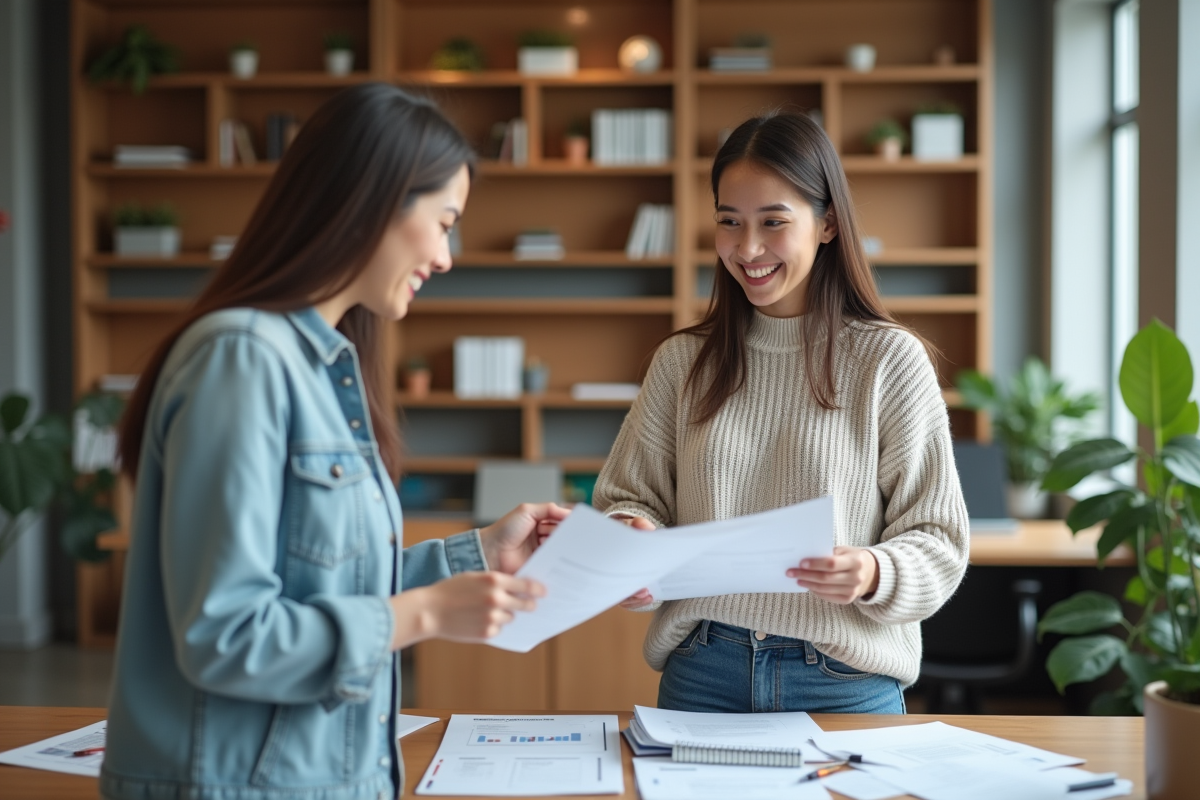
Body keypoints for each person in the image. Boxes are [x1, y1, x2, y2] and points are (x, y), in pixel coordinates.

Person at [101, 84, 567, 800]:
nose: (445, 256)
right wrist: (430, 614)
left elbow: (323, 585)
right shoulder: (242, 359)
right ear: (375, 201)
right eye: (444, 221)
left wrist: (475, 557)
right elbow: (226, 635)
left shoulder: (325, 366)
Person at [593, 111, 969, 715]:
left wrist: (874, 570)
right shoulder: (681, 362)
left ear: (825, 224)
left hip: (843, 678)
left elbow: (940, 541)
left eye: (773, 222)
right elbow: (626, 499)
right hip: (702, 672)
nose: (747, 249)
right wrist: (630, 535)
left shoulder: (888, 361)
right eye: (728, 223)